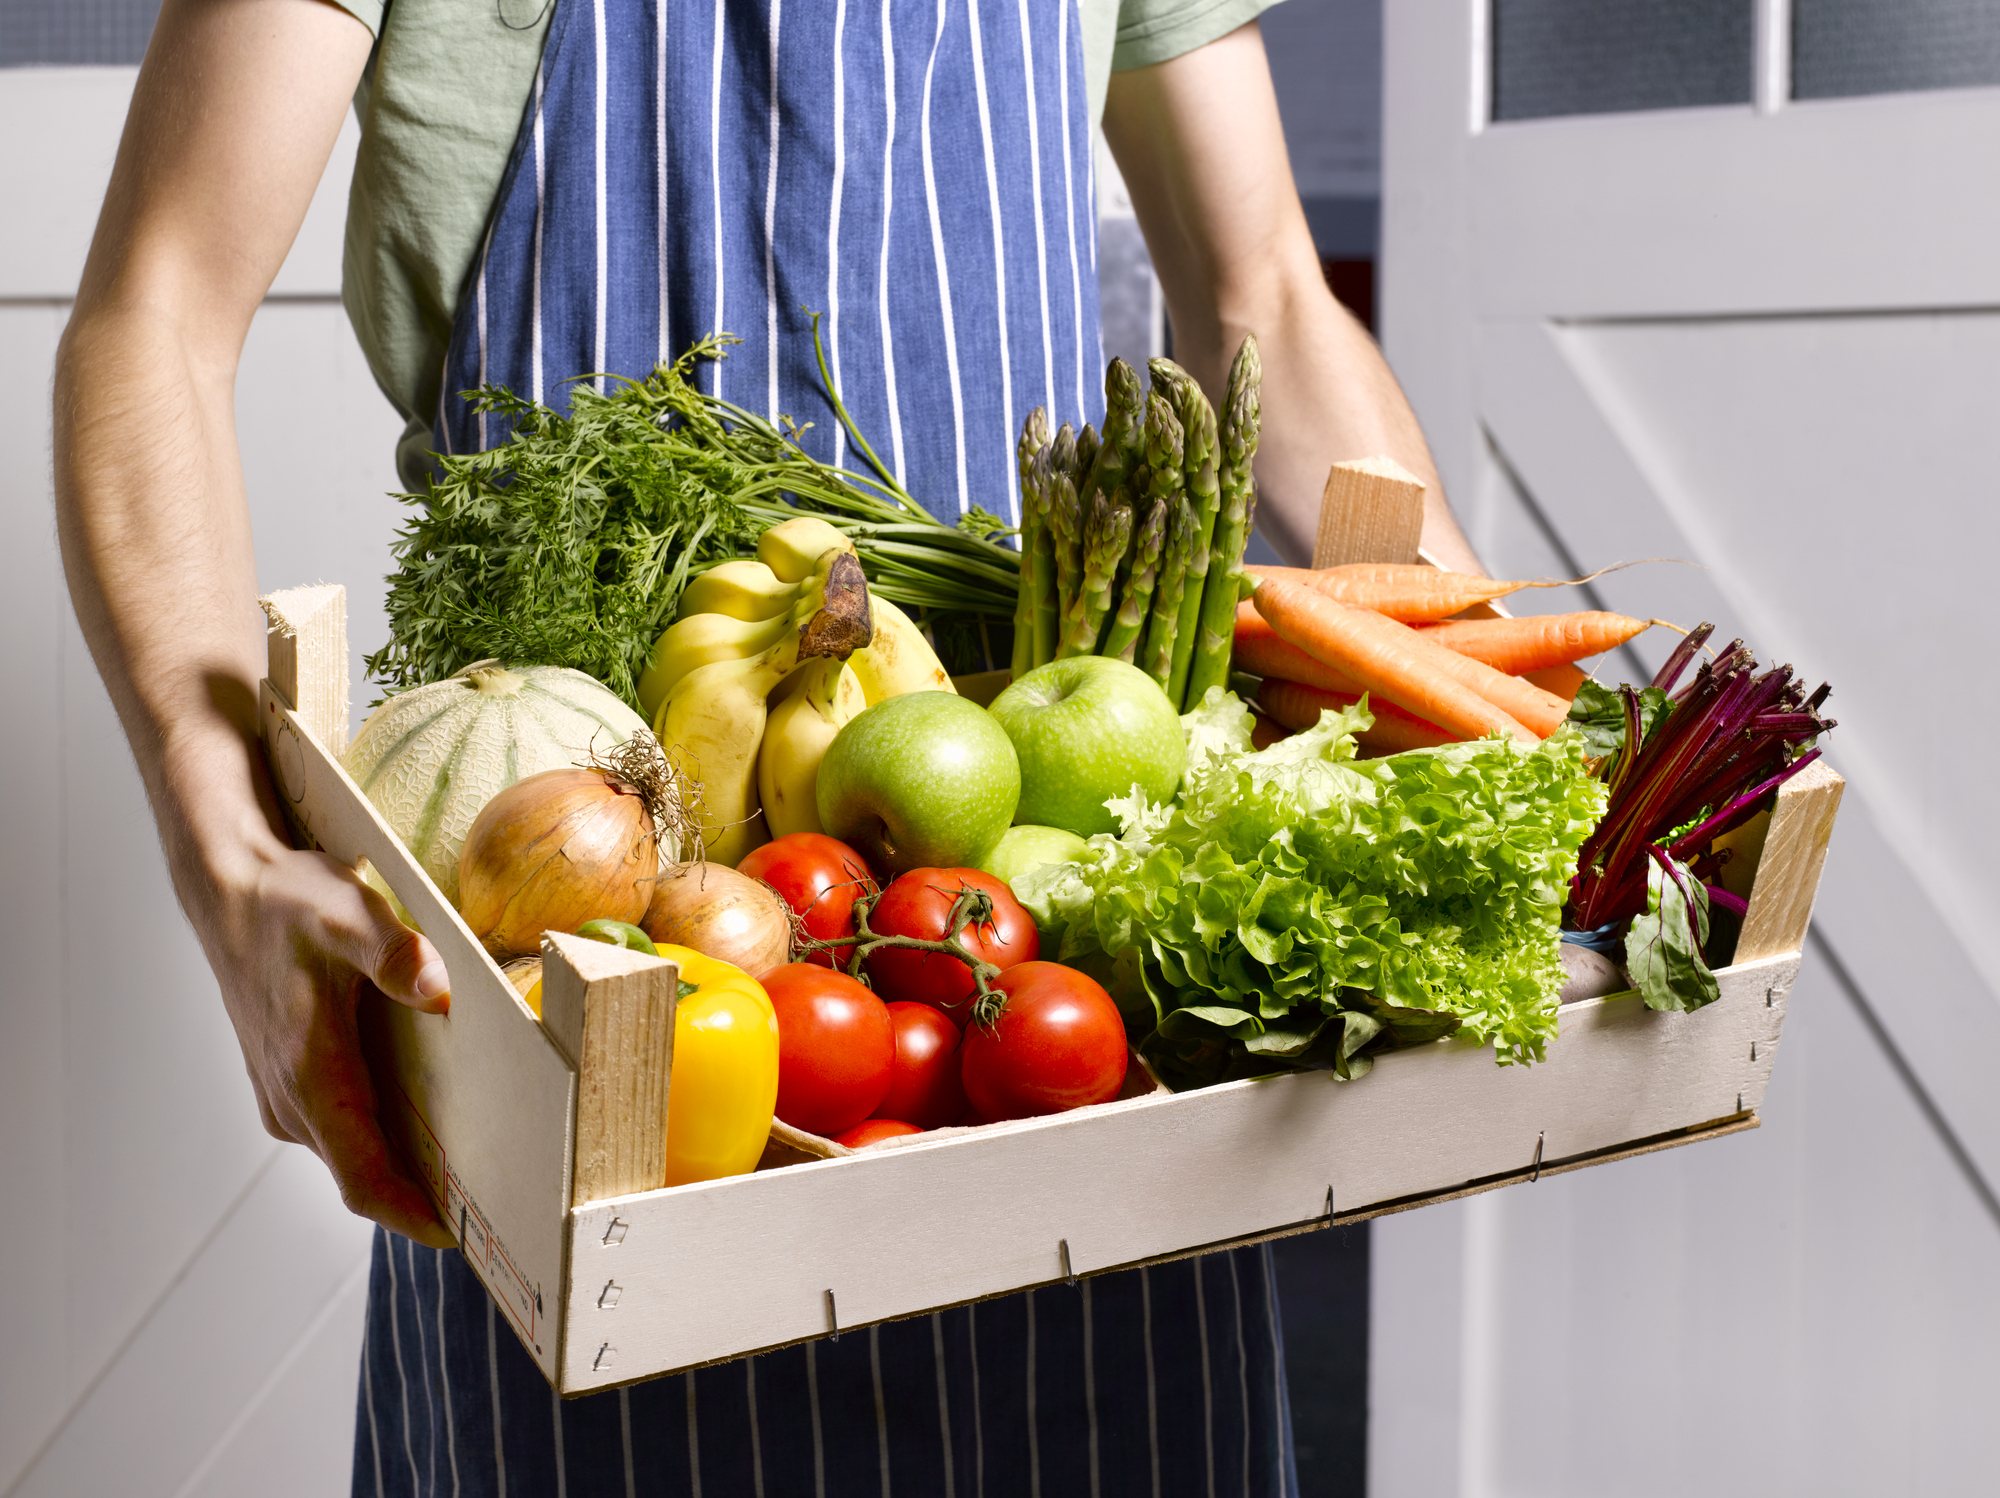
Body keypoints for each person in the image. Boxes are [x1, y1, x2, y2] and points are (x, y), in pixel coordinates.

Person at [54, 0, 1474, 1493]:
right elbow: (153, 319)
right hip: (581, 999)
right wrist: (223, 844)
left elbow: (1268, 295)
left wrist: (1495, 705)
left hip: (1036, 994)